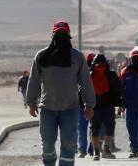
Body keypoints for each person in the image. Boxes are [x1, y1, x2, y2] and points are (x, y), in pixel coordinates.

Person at [26, 21, 96, 166]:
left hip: (70, 109)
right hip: (47, 109)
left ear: (69, 35)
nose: (61, 36)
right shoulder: (42, 56)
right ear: (53, 35)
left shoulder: (77, 57)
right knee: (47, 145)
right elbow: (34, 80)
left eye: (63, 33)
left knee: (69, 145)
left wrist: (89, 105)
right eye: (58, 33)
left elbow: (86, 81)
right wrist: (31, 102)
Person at [89, 54, 124, 161]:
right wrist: (121, 105)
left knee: (94, 129)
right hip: (108, 106)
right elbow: (119, 90)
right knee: (109, 128)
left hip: (94, 106)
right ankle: (106, 150)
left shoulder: (89, 74)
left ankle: (96, 152)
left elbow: (82, 91)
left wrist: (85, 105)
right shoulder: (111, 74)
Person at [120, 50, 138, 158]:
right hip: (130, 105)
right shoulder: (125, 71)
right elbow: (120, 88)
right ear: (130, 59)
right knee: (130, 126)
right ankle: (134, 149)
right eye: (133, 58)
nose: (135, 59)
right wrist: (121, 104)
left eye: (137, 57)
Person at [77, 52, 96, 158]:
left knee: (82, 128)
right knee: (93, 128)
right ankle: (91, 149)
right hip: (94, 103)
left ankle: (82, 150)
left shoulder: (82, 70)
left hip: (81, 103)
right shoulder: (97, 71)